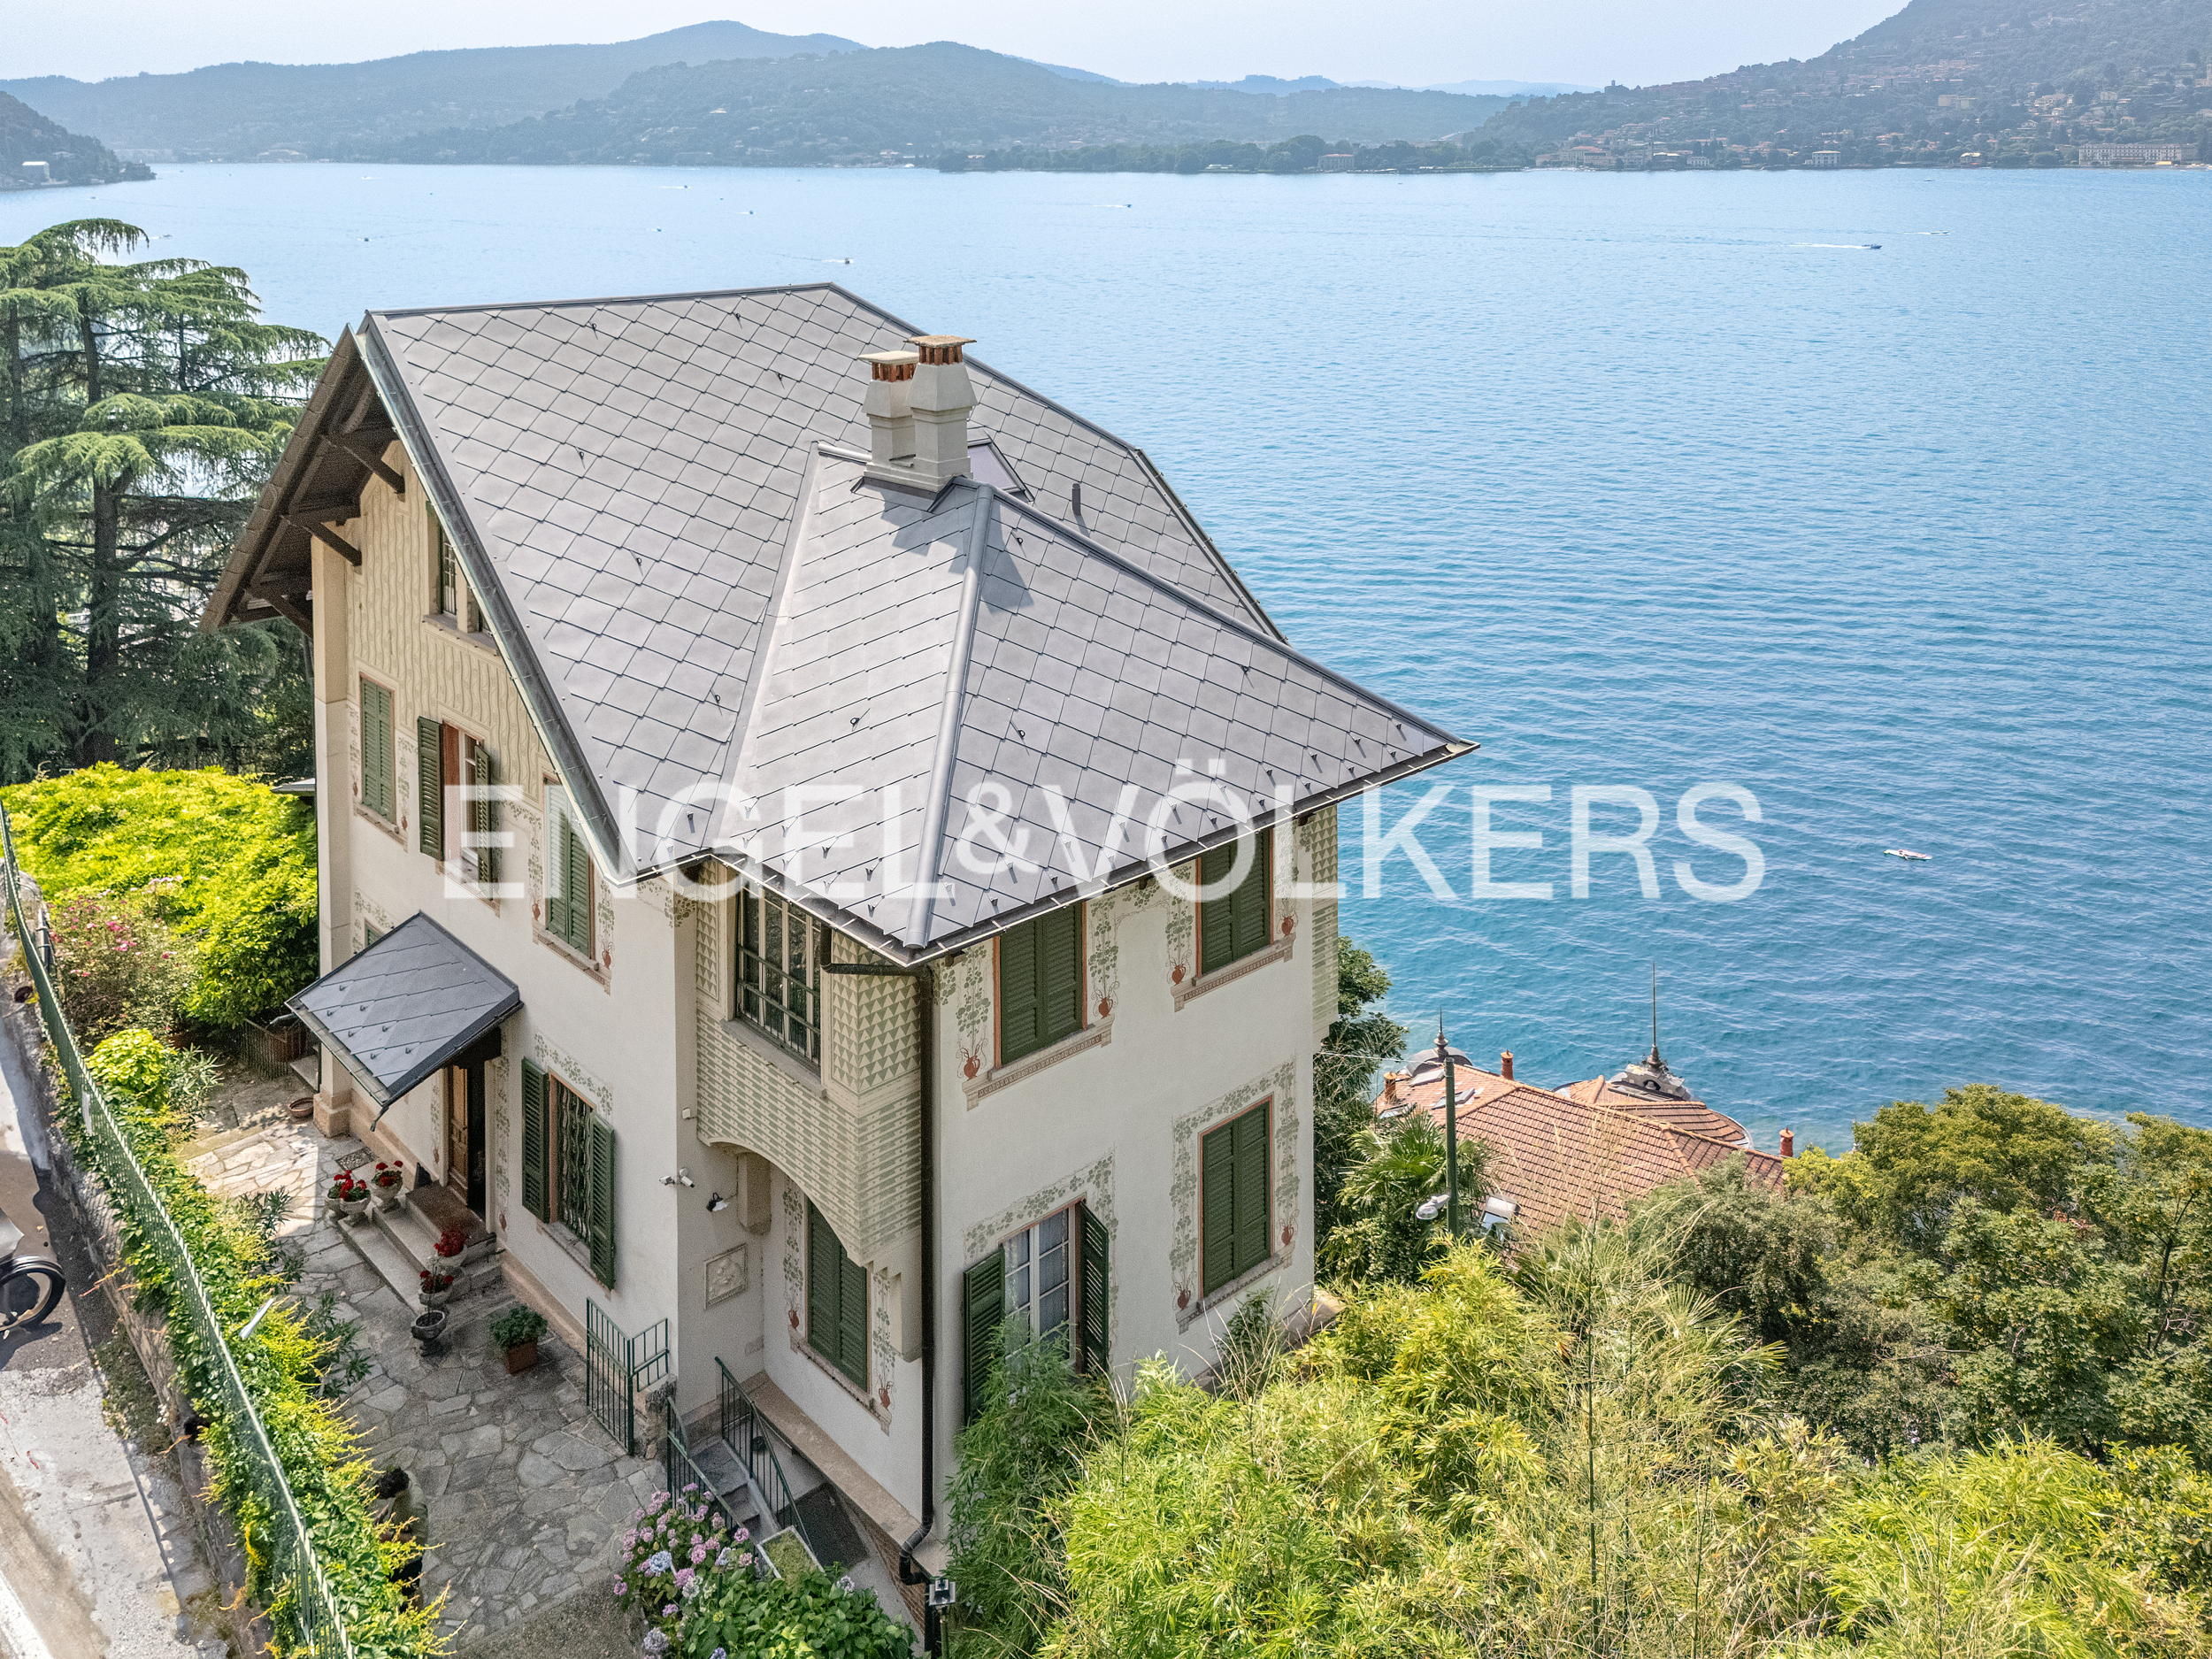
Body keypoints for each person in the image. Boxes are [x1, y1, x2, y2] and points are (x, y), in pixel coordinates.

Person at [372, 1466, 424, 1605]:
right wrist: (382, 1514)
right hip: (396, 1546)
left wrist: (390, 1536)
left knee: (409, 1591)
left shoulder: (415, 1507)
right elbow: (394, 1502)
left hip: (409, 1559)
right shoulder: (407, 1476)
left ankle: (417, 1619)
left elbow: (418, 1539)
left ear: (398, 1492)